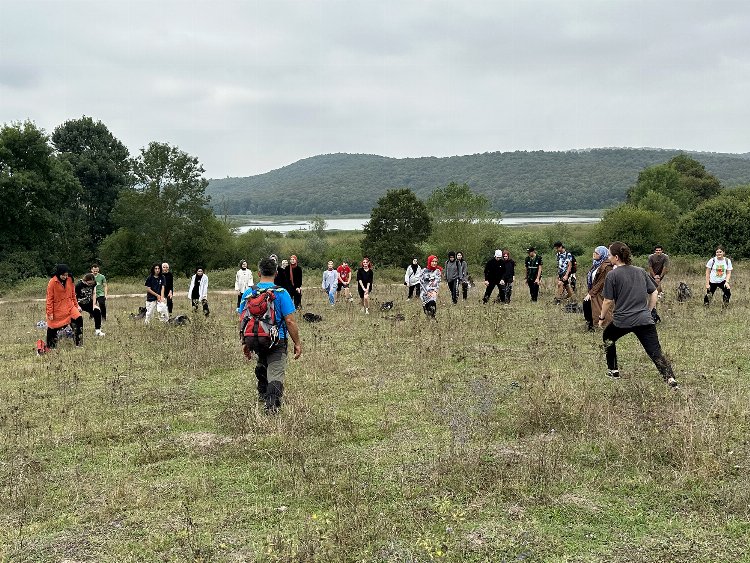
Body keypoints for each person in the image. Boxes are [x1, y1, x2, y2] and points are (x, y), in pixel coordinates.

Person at [598, 241, 678, 388]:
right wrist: (649, 310)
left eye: (609, 255)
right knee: (655, 351)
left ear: (616, 257)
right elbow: (654, 291)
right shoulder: (640, 271)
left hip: (623, 321)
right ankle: (670, 379)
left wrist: (601, 318)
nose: (608, 257)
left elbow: (608, 301)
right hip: (644, 319)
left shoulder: (612, 275)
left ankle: (613, 370)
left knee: (608, 337)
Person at [238, 257, 302, 412]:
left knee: (262, 359)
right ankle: (272, 404)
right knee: (276, 370)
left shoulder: (249, 292)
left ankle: (262, 390)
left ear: (258, 273)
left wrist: (245, 342)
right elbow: (290, 321)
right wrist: (297, 343)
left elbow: (242, 319)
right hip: (276, 338)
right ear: (276, 273)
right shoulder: (281, 293)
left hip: (254, 338)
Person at [45, 264, 83, 348]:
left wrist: (77, 306)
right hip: (57, 308)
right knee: (52, 327)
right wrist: (49, 313)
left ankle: (79, 344)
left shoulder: (70, 279)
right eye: (63, 275)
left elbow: (73, 294)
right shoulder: (52, 282)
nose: (65, 277)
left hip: (70, 306)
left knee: (79, 319)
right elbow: (49, 299)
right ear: (58, 273)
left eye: (66, 275)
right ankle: (51, 347)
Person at [582, 246, 613, 331]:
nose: (594, 254)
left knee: (599, 308)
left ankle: (600, 325)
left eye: (597, 253)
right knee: (588, 305)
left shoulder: (607, 266)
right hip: (594, 290)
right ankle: (590, 324)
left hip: (601, 292)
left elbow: (602, 281)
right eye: (594, 252)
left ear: (602, 254)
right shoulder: (596, 264)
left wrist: (591, 293)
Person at [76, 273, 105, 337]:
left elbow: (94, 293)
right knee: (75, 317)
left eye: (91, 284)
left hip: (88, 302)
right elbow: (73, 296)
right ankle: (72, 331)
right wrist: (77, 306)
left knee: (97, 310)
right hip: (78, 303)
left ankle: (98, 330)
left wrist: (94, 304)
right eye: (89, 284)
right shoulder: (78, 285)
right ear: (84, 281)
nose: (90, 285)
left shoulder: (93, 283)